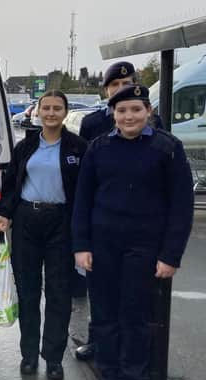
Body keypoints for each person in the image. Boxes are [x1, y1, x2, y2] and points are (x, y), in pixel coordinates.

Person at [73, 84, 193, 380]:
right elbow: (83, 201)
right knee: (105, 316)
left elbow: (181, 207)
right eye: (122, 111)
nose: (129, 116)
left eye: (136, 110)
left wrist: (170, 255)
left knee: (135, 316)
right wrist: (81, 246)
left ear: (148, 112)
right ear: (113, 114)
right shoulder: (98, 148)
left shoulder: (167, 148)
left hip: (144, 246)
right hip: (102, 245)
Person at [0, 90, 87, 380]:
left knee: (59, 292)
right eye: (45, 108)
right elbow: (11, 185)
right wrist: (4, 213)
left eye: (57, 108)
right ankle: (30, 354)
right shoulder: (27, 146)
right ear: (38, 112)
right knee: (28, 291)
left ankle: (54, 357)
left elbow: (85, 191)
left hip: (61, 222)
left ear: (65, 112)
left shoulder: (78, 147)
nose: (50, 113)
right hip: (26, 221)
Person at [75, 61, 163, 362]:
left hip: (140, 225)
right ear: (107, 92)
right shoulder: (91, 125)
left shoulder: (152, 121)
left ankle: (130, 358)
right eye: (115, 87)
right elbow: (86, 179)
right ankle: (96, 341)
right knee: (100, 292)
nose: (121, 92)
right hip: (104, 220)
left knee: (132, 298)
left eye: (127, 85)